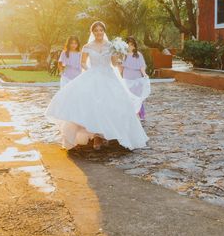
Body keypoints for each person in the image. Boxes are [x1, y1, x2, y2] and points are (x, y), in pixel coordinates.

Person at [45, 21, 148, 151]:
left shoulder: (111, 46)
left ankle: (106, 134)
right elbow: (82, 63)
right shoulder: (87, 46)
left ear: (104, 31)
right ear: (92, 32)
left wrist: (118, 54)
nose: (98, 32)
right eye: (96, 30)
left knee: (110, 104)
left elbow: (114, 63)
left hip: (108, 76)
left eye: (101, 30)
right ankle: (96, 136)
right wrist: (90, 71)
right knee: (93, 105)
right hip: (93, 74)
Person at [121, 37, 150, 120]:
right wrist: (118, 75)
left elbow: (142, 66)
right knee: (128, 95)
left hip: (137, 78)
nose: (130, 47)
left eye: (132, 45)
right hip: (127, 77)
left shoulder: (138, 54)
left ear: (134, 46)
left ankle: (140, 114)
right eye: (128, 45)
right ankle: (130, 114)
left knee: (137, 96)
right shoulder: (123, 55)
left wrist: (144, 73)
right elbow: (121, 67)